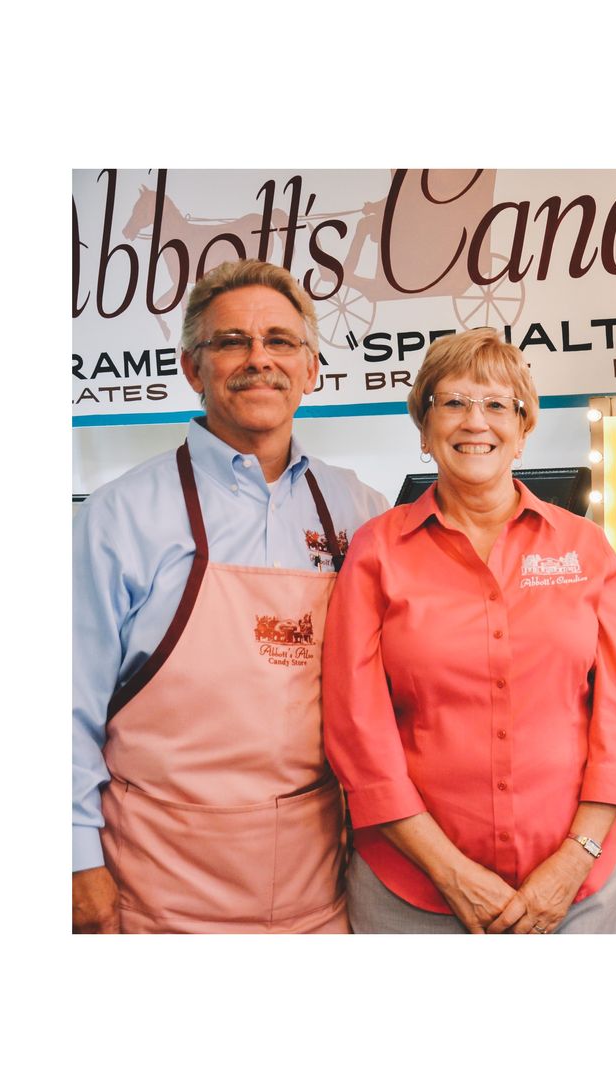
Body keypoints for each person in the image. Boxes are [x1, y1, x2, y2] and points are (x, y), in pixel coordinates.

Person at [72, 259, 389, 933]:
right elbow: (65, 705)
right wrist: (73, 859)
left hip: (316, 889)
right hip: (156, 886)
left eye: (279, 341)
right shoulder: (120, 514)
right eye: (231, 342)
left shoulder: (358, 509)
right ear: (193, 368)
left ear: (310, 368)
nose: (258, 360)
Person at [322, 329, 616, 933]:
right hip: (412, 893)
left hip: (577, 895)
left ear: (524, 429)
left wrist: (573, 863)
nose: (476, 421)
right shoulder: (376, 551)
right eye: (453, 403)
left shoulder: (586, 549)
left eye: (498, 405)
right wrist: (450, 872)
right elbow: (356, 731)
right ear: (425, 428)